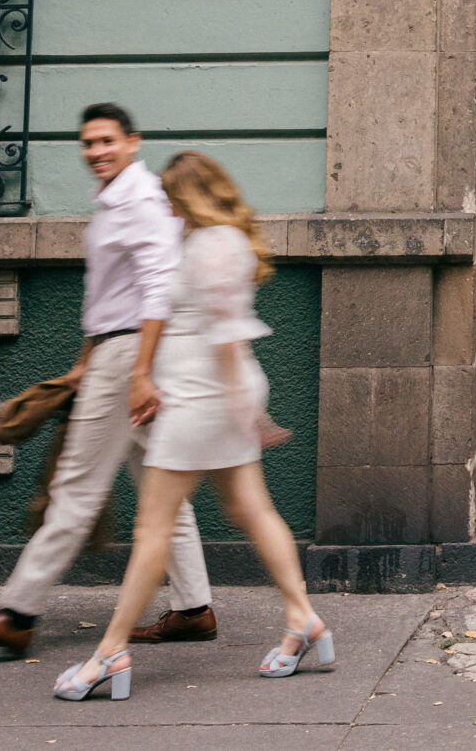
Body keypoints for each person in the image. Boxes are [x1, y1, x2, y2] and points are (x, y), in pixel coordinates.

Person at [0, 105, 216, 656]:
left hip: (131, 355)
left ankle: (17, 613)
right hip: (117, 351)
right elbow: (116, 294)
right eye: (88, 143)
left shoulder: (138, 201)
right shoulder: (116, 200)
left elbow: (158, 288)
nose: (97, 152)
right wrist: (84, 359)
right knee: (162, 488)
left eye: (107, 141)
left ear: (132, 142)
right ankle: (194, 609)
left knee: (75, 488)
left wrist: (136, 372)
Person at [52, 151, 329, 702]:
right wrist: (247, 408)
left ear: (186, 198)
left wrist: (243, 410)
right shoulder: (220, 240)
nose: (168, 210)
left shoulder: (209, 247)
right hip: (215, 398)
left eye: (172, 200)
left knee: (153, 530)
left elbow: (227, 336)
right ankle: (302, 618)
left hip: (199, 401)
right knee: (251, 510)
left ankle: (108, 652)